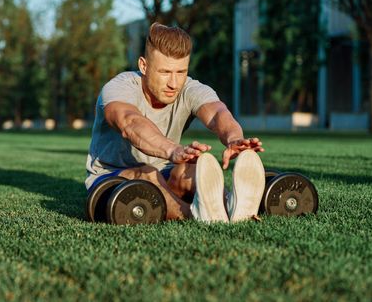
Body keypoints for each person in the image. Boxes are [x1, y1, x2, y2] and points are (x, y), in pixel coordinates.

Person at [85, 23, 265, 222]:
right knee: (148, 174)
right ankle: (197, 214)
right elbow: (130, 123)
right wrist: (173, 150)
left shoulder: (190, 89)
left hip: (165, 172)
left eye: (181, 72)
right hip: (111, 178)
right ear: (143, 66)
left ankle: (231, 204)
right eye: (164, 72)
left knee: (197, 169)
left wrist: (234, 139)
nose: (173, 83)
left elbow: (217, 114)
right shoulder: (119, 87)